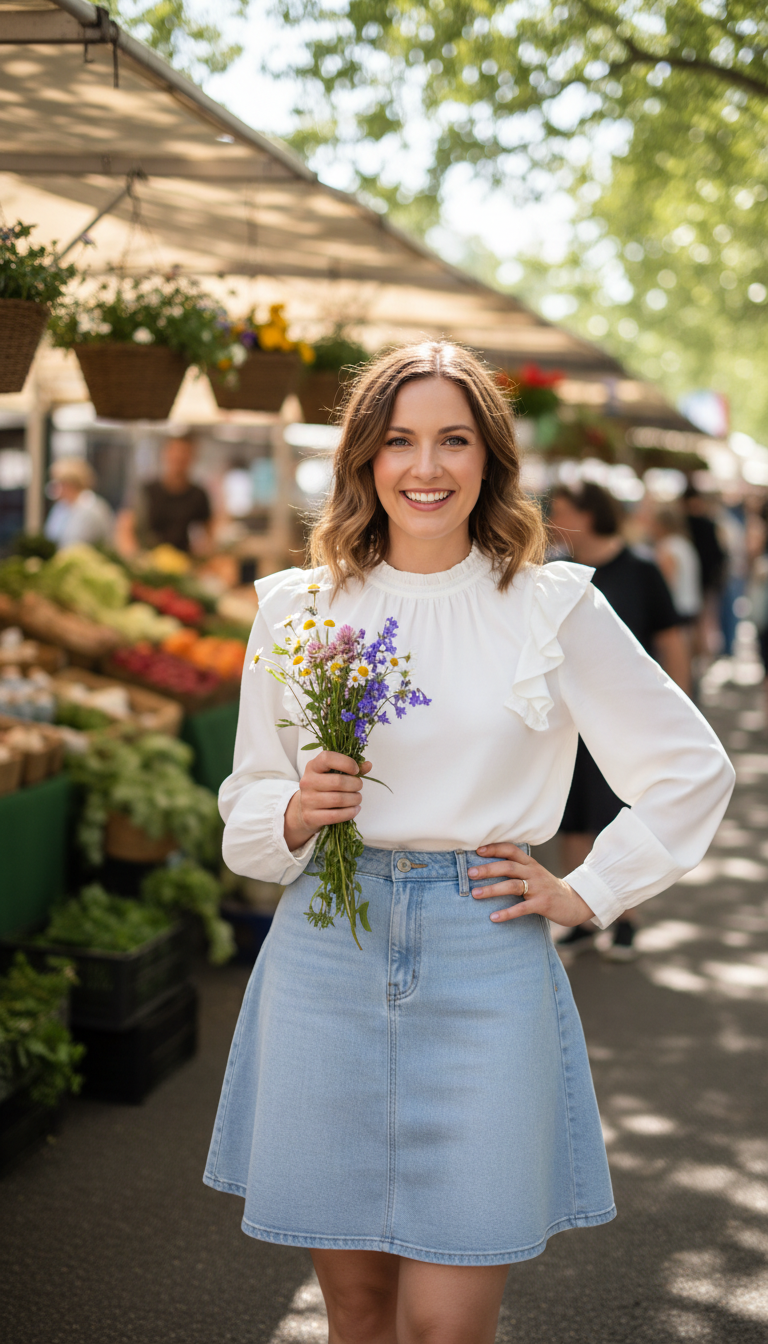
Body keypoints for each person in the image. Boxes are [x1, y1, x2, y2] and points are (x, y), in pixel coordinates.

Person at [204, 344, 733, 1344]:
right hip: (327, 946)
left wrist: (590, 889)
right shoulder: (296, 607)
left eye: (454, 440)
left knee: (447, 1325)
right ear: (362, 459)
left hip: (485, 951)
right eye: (398, 441)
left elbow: (692, 771)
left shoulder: (553, 606)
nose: (426, 468)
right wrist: (291, 813)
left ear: (491, 458)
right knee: (355, 1310)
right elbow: (245, 806)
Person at [548, 482, 690, 963]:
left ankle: (625, 920)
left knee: (619, 812)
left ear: (587, 515)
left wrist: (681, 704)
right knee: (572, 817)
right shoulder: (557, 574)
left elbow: (670, 639)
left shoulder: (642, 570)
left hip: (626, 718)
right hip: (567, 719)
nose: (551, 518)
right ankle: (580, 919)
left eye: (560, 510)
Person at [116, 434, 212, 556]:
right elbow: (125, 525)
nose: (179, 458)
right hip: (147, 558)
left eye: (185, 454)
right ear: (165, 454)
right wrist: (133, 556)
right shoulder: (147, 490)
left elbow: (209, 532)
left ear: (193, 457)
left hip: (182, 561)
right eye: (175, 453)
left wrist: (203, 554)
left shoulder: (199, 495)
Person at [43, 458, 115, 548]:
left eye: (56, 482)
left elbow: (79, 546)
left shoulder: (91, 508)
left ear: (69, 484)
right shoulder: (60, 507)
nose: (53, 486)